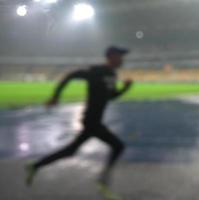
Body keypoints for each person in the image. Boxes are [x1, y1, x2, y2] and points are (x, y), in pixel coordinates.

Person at [25, 46, 132, 199]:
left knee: (70, 151)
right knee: (118, 146)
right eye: (120, 56)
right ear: (111, 56)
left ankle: (34, 166)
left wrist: (125, 89)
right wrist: (56, 96)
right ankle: (103, 182)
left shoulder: (112, 75)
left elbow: (111, 96)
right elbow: (70, 76)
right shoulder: (95, 71)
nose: (122, 60)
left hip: (94, 121)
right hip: (91, 121)